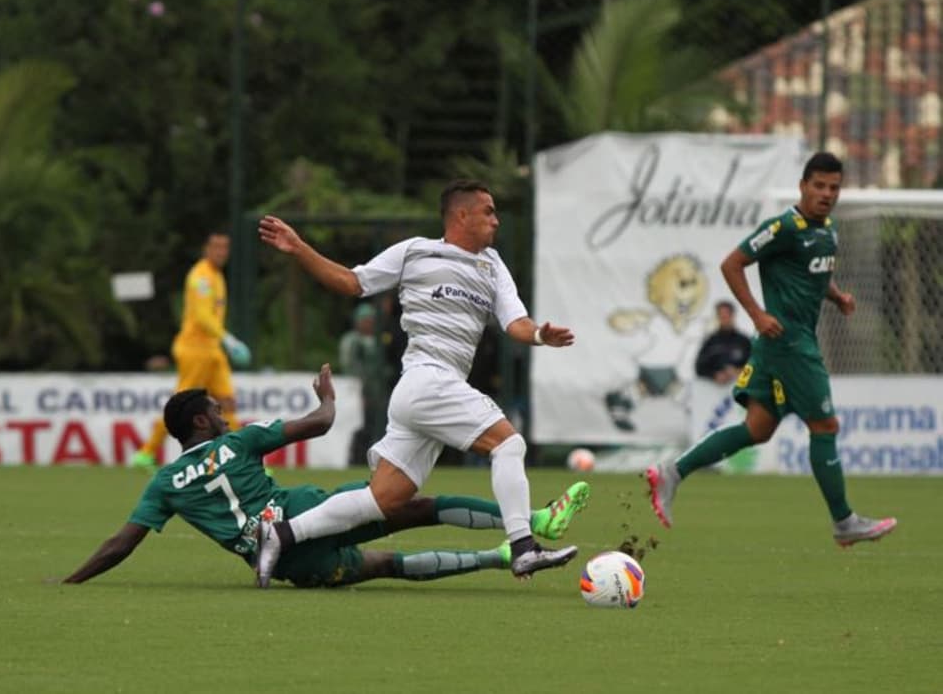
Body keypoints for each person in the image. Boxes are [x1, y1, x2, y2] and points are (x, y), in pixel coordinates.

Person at [255, 179, 577, 586]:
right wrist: (299, 248)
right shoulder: (414, 251)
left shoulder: (492, 265)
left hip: (424, 393)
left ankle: (280, 533)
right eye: (488, 211)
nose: (495, 220)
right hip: (427, 381)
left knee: (384, 499)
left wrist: (537, 335)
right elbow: (353, 283)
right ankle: (523, 548)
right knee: (508, 443)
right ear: (462, 215)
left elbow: (515, 320)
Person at [64, 365, 590, 587]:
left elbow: (121, 544)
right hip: (307, 510)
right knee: (416, 508)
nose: (225, 415)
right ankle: (532, 522)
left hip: (296, 561)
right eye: (217, 411)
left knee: (387, 567)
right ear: (201, 422)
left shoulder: (164, 484)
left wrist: (72, 579)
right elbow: (321, 423)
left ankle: (498, 558)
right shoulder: (238, 441)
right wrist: (327, 396)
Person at [646, 152, 897, 547]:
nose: (827, 194)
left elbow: (813, 276)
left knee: (757, 429)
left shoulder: (828, 229)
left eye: (834, 187)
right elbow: (732, 264)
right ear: (803, 186)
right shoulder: (783, 227)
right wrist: (757, 314)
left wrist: (836, 297)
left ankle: (671, 472)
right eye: (819, 186)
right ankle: (844, 521)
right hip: (790, 344)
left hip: (782, 344)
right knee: (825, 426)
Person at [131, 231, 251, 470]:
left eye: (225, 248)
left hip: (213, 351)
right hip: (195, 350)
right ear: (206, 249)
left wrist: (221, 342)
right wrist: (227, 338)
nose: (221, 252)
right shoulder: (201, 277)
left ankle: (245, 458)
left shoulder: (217, 276)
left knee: (228, 403)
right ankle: (145, 454)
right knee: (181, 406)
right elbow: (201, 315)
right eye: (216, 247)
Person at [338, 302, 386, 465]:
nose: (369, 323)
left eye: (371, 319)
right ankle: (355, 460)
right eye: (365, 319)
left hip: (378, 393)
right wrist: (360, 391)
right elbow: (350, 367)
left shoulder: (381, 340)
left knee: (377, 429)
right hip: (358, 393)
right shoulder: (351, 341)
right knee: (359, 429)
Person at [694, 300, 752, 385]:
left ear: (733, 316)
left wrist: (739, 371)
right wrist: (714, 375)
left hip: (741, 390)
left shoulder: (744, 341)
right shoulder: (711, 341)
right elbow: (699, 368)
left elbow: (756, 366)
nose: (724, 318)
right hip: (717, 393)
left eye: (726, 315)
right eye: (721, 315)